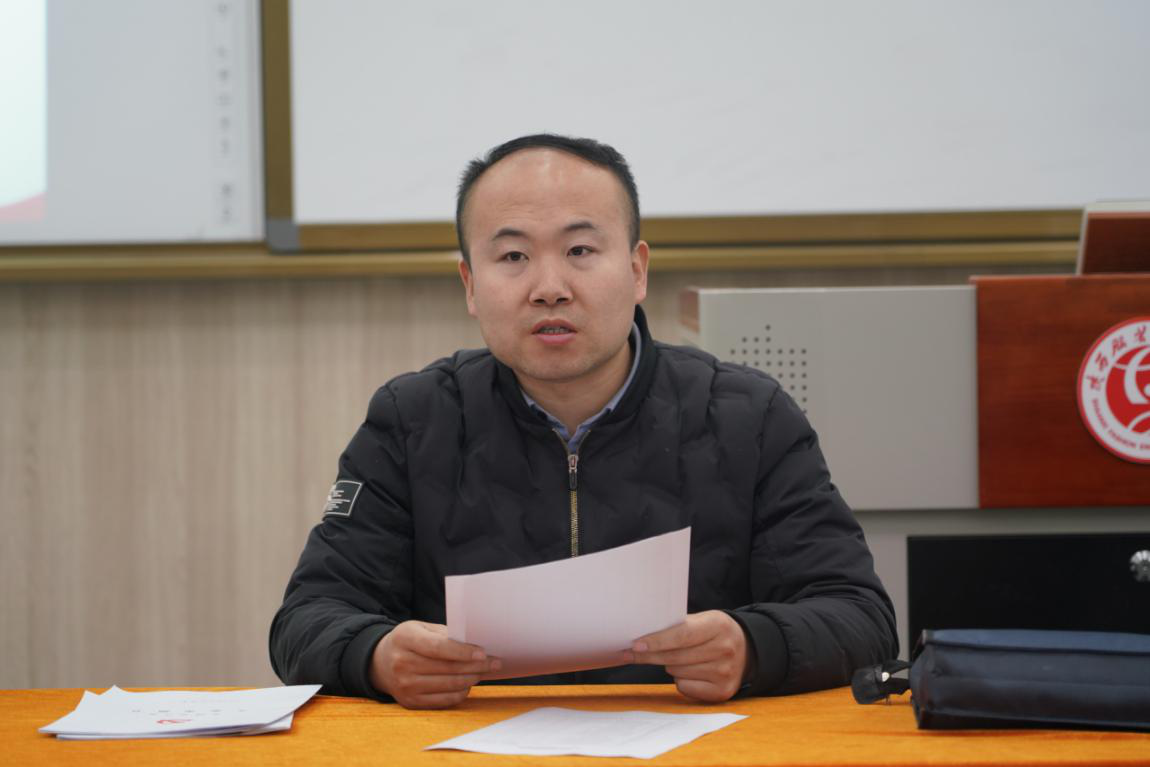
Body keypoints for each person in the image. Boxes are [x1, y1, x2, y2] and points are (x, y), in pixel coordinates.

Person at [270, 134, 897, 710]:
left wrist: (753, 645)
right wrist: (377, 657)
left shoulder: (746, 415)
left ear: (637, 269)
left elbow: (860, 617)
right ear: (470, 284)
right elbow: (306, 620)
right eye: (513, 255)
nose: (550, 287)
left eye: (579, 250)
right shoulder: (413, 420)